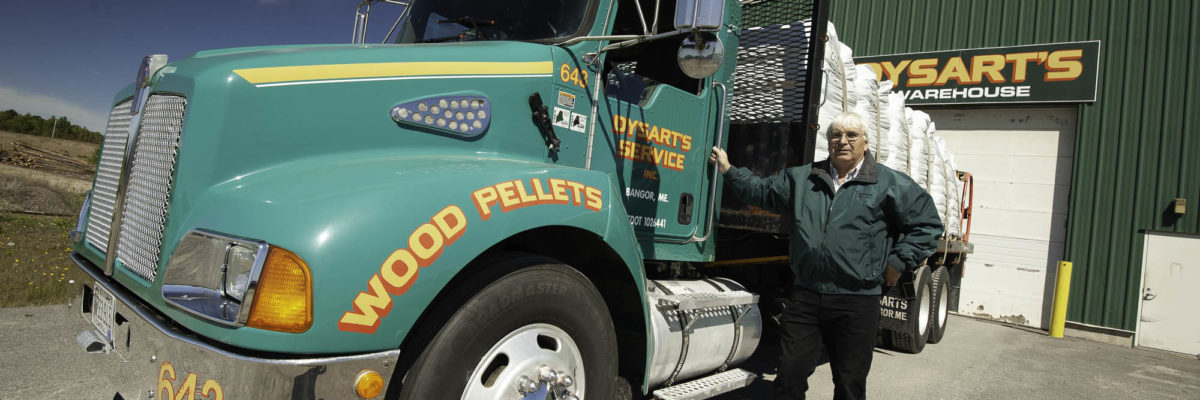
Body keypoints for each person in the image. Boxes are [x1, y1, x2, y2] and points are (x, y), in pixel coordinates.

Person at [709, 111, 943, 400]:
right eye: (836, 135)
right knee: (789, 377)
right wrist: (730, 170)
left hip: (858, 301)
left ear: (866, 143)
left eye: (851, 135)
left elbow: (929, 224)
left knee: (849, 384)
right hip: (807, 296)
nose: (843, 141)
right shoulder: (804, 178)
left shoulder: (888, 183)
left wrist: (899, 261)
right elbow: (762, 192)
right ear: (829, 141)